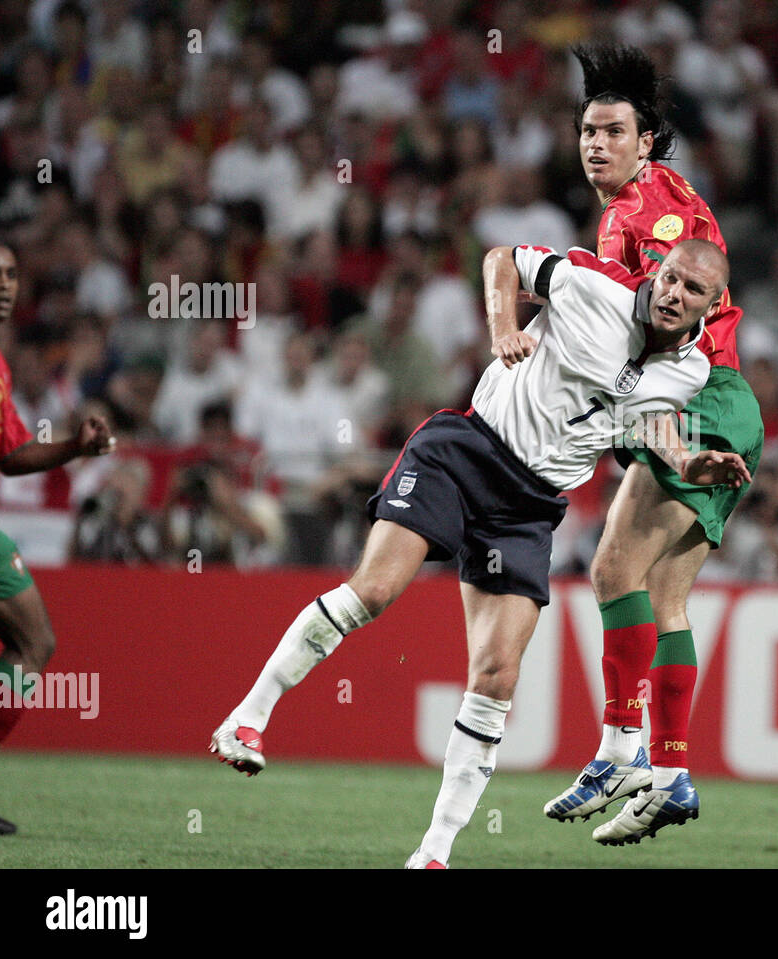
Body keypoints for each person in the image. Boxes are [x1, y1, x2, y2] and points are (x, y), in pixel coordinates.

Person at [210, 238, 749, 868]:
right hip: (465, 453)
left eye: (693, 291)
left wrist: (687, 459)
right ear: (656, 272)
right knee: (375, 591)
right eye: (672, 279)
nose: (675, 295)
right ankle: (246, 717)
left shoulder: (690, 374)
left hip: (529, 509)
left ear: (712, 309)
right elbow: (502, 259)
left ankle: (434, 854)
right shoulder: (592, 287)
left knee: (496, 676)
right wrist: (503, 327)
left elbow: (647, 419)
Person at [542, 44, 764, 846]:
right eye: (587, 131)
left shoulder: (643, 215)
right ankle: (670, 774)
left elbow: (648, 331)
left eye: (613, 131)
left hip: (699, 397)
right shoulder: (658, 195)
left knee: (608, 569)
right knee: (664, 598)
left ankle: (616, 749)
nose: (595, 144)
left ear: (647, 141)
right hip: (723, 401)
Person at [0, 243, 115, 835]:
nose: (4, 284)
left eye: (12, 274)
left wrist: (75, 446)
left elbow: (12, 456)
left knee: (35, 642)